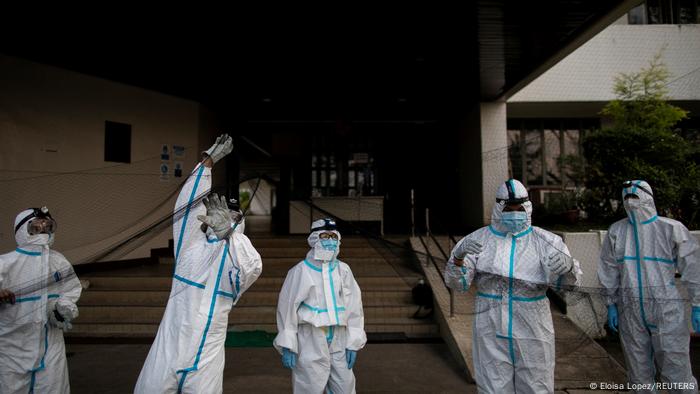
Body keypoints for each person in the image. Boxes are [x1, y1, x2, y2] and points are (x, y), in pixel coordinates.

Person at [135, 134, 263, 393]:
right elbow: (186, 208)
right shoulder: (190, 247)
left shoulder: (240, 253)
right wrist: (207, 164)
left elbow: (252, 268)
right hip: (170, 345)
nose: (226, 216)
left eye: (234, 215)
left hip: (207, 353)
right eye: (223, 210)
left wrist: (229, 234)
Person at [444, 179, 582, 394]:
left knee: (537, 386)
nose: (514, 213)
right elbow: (457, 283)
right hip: (490, 326)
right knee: (492, 387)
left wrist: (569, 268)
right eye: (508, 209)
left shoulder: (547, 241)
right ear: (499, 208)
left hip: (533, 327)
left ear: (527, 207)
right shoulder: (478, 240)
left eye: (519, 208)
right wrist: (459, 258)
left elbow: (566, 288)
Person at [598, 180, 700, 393]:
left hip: (666, 309)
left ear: (648, 198)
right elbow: (609, 270)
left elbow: (693, 268)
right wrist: (611, 304)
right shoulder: (617, 231)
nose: (630, 202)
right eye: (626, 198)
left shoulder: (670, 228)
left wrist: (698, 303)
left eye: (635, 197)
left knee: (676, 369)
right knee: (638, 373)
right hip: (630, 310)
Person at [274, 218, 366, 394]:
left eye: (333, 236)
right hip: (310, 338)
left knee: (344, 386)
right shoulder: (301, 271)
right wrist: (288, 343)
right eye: (325, 236)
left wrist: (354, 341)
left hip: (339, 338)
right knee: (309, 387)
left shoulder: (344, 270)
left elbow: (354, 306)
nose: (330, 240)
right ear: (314, 238)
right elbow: (287, 308)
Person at [0, 206, 82, 393]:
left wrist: (62, 309)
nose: (43, 232)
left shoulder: (58, 261)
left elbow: (71, 290)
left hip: (50, 344)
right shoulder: (5, 264)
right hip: (12, 348)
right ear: (22, 230)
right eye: (36, 228)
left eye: (47, 227)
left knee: (53, 388)